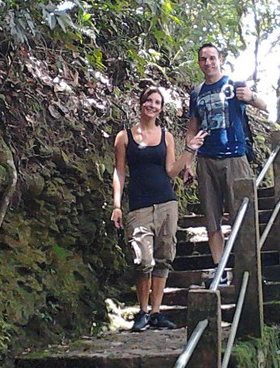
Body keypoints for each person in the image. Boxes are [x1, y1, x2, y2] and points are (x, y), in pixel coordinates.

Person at [112, 86, 207, 331]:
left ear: (161, 109)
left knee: (164, 258)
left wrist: (190, 150)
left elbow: (171, 172)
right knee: (142, 259)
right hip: (139, 205)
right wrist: (116, 205)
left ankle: (156, 312)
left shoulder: (166, 136)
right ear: (141, 103)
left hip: (166, 203)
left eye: (157, 102)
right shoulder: (124, 137)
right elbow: (120, 172)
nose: (152, 105)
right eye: (149, 101)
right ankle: (142, 311)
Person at [186, 43, 267, 268]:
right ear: (198, 63)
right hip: (206, 159)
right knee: (212, 219)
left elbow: (264, 105)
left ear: (220, 59)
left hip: (235, 157)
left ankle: (247, 268)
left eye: (212, 58)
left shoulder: (234, 85)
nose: (208, 63)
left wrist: (251, 96)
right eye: (204, 59)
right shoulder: (197, 93)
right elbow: (192, 129)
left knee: (241, 215)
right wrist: (189, 161)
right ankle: (219, 268)